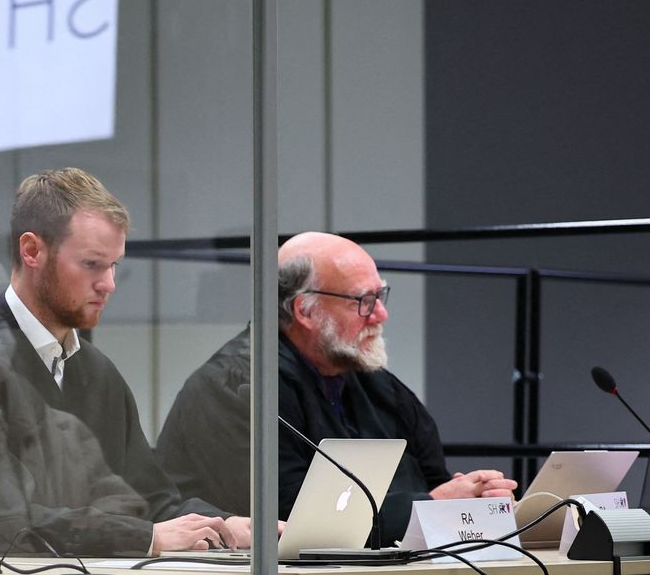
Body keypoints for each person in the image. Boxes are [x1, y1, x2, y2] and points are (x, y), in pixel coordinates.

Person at [0, 168, 248, 557]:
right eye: (92, 264)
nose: (109, 284)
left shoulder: (98, 372)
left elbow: (149, 501)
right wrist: (143, 538)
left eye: (114, 265)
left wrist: (222, 524)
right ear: (32, 251)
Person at [157, 232, 514, 543]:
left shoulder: (372, 381)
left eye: (380, 296)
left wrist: (473, 497)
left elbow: (431, 477)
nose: (380, 315)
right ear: (305, 311)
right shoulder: (236, 389)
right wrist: (433, 507)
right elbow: (294, 517)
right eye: (363, 301)